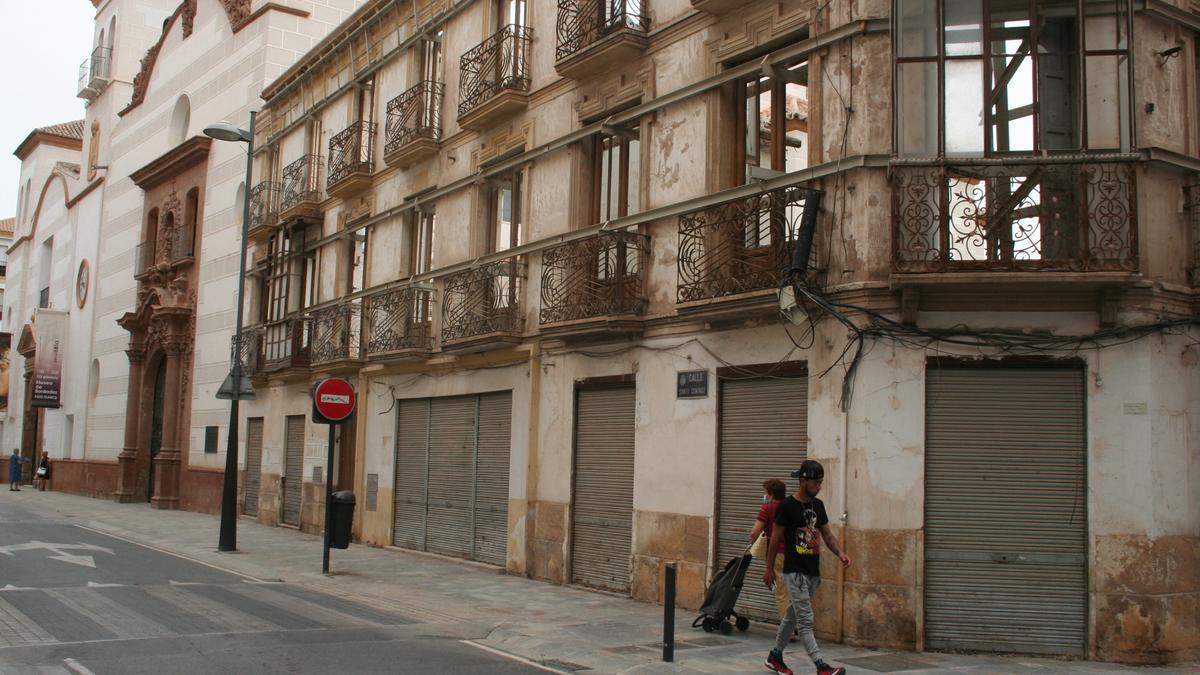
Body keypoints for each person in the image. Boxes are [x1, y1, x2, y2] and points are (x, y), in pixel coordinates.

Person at [762, 459, 851, 675]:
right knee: (805, 619)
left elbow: (827, 535)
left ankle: (775, 656)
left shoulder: (818, 506)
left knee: (792, 615)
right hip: (794, 570)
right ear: (803, 481)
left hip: (812, 571)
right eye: (816, 483)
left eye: (821, 482)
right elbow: (775, 539)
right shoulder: (787, 506)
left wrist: (840, 553)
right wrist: (769, 568)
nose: (819, 486)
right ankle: (821, 665)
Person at [750, 478, 790, 623]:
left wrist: (753, 543)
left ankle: (789, 630)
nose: (764, 495)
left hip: (778, 554)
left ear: (771, 494)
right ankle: (798, 626)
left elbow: (755, 532)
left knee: (781, 592)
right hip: (796, 554)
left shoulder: (767, 508)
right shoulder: (791, 507)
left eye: (765, 493)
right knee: (795, 591)